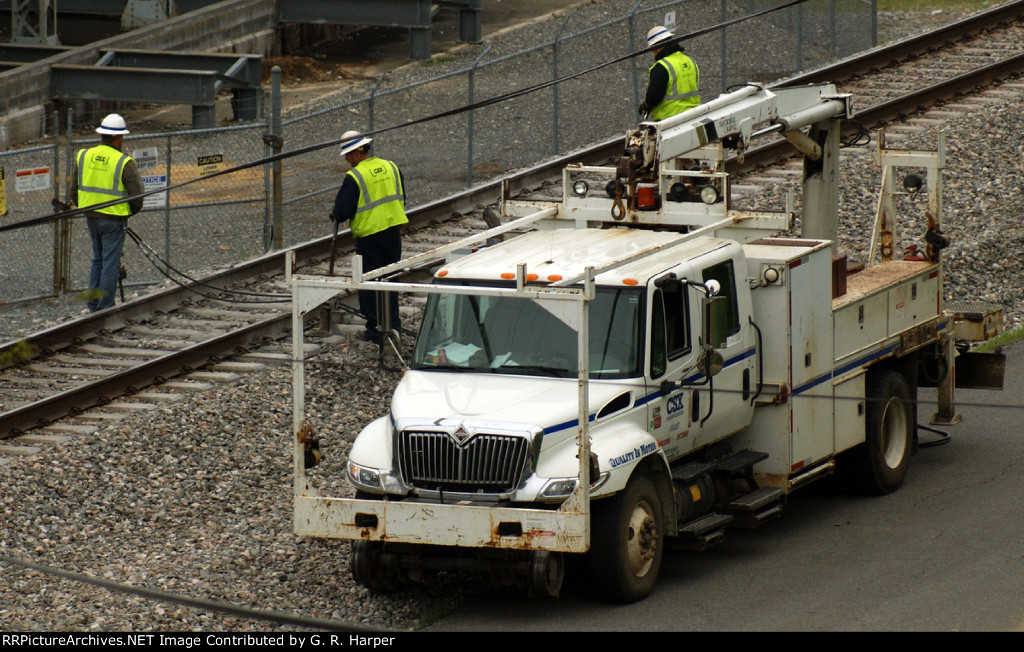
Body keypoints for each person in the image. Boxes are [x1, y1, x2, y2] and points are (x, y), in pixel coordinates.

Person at [330, 130, 409, 342]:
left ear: (356, 153)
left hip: (370, 238)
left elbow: (342, 211)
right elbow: (402, 197)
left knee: (369, 285)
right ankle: (394, 327)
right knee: (390, 282)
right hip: (393, 233)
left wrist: (335, 214)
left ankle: (375, 331)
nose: (347, 160)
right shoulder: (391, 166)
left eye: (347, 155)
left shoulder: (355, 176)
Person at [70, 113, 145, 312]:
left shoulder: (84, 155)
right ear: (119, 138)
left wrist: (86, 206)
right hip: (114, 220)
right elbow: (136, 196)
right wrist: (127, 213)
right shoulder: (123, 161)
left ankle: (93, 304)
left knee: (97, 259)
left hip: (91, 216)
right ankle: (105, 306)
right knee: (110, 263)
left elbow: (73, 190)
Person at [639, 26, 700, 121]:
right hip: (694, 115)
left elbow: (654, 96)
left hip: (670, 119)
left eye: (652, 49)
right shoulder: (690, 61)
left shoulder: (662, 66)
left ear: (658, 48)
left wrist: (647, 104)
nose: (653, 53)